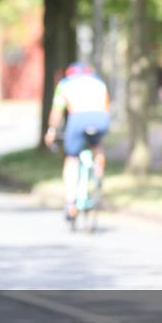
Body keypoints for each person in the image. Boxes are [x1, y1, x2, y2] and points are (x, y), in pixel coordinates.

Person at [43, 62, 111, 221]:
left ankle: (70, 203)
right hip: (101, 119)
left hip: (79, 118)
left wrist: (52, 131)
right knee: (97, 145)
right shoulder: (99, 82)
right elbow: (107, 107)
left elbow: (57, 112)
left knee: (72, 159)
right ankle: (99, 170)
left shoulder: (65, 84)